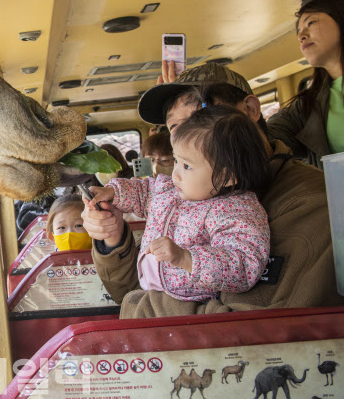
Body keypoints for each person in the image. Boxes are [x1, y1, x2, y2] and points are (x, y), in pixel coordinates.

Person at [83, 61, 341, 318]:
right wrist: (113, 238)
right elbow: (130, 289)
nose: (188, 135)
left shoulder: (314, 201)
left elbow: (248, 330)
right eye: (174, 127)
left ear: (250, 109)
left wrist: (137, 307)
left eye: (200, 116)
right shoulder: (186, 189)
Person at [88, 106, 271, 302]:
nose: (175, 173)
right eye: (176, 161)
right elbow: (143, 192)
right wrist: (114, 192)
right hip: (151, 292)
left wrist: (186, 259)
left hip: (191, 302)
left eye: (186, 166)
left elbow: (243, 266)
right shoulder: (170, 189)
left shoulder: (236, 211)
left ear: (227, 176)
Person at [267, 0, 344, 169]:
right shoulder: (306, 107)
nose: (301, 35)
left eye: (311, 23)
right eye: (298, 31)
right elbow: (265, 137)